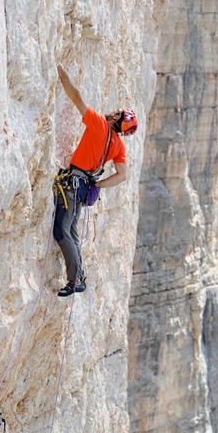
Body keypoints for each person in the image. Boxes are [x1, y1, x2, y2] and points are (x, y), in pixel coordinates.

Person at [54, 63, 138, 297]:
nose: (113, 113)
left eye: (118, 114)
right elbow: (123, 175)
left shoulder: (100, 124)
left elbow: (77, 97)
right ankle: (79, 276)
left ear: (117, 120)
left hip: (73, 185)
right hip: (82, 187)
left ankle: (75, 280)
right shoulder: (119, 146)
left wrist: (63, 75)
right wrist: (98, 184)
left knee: (62, 231)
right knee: (71, 229)